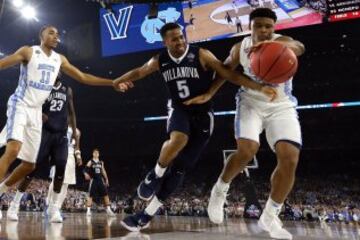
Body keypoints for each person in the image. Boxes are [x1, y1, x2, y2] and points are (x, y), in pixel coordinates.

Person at [113, 22, 276, 231]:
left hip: (203, 113)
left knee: (180, 170)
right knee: (178, 139)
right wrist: (117, 80)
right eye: (174, 38)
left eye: (181, 37)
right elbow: (139, 72)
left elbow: (227, 73)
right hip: (179, 108)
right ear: (165, 42)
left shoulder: (201, 54)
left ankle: (146, 215)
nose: (180, 41)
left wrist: (258, 87)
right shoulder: (160, 60)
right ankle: (155, 174)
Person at [0, 25, 132, 220]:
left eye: (58, 34)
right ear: (41, 35)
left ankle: (2, 189)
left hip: (36, 112)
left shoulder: (59, 59)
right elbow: (3, 63)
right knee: (13, 149)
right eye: (51, 32)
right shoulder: (28, 51)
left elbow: (83, 77)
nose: (56, 36)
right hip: (20, 105)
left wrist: (111, 83)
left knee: (29, 165)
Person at [206, 8, 305, 240]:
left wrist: (286, 48)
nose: (263, 30)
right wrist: (208, 94)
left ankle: (270, 216)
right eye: (258, 25)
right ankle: (220, 190)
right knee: (247, 150)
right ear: (249, 27)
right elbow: (224, 71)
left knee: (290, 158)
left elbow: (299, 46)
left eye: (268, 26)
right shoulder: (240, 47)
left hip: (281, 105)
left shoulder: (282, 42)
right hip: (251, 102)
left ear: (274, 27)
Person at [5, 76, 79, 223]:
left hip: (61, 135)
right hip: (44, 133)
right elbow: (31, 107)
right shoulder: (42, 88)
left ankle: (53, 208)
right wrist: (40, 114)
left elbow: (72, 113)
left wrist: (75, 135)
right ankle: (14, 205)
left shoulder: (67, 90)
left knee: (61, 168)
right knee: (31, 170)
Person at [84, 148, 115, 217]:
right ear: (93, 154)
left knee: (105, 194)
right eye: (95, 153)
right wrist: (86, 174)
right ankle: (88, 211)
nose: (96, 154)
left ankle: (109, 209)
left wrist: (106, 179)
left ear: (98, 154)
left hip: (100, 180)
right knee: (90, 195)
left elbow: (103, 171)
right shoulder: (90, 161)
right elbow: (85, 170)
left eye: (97, 153)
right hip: (93, 180)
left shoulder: (101, 162)